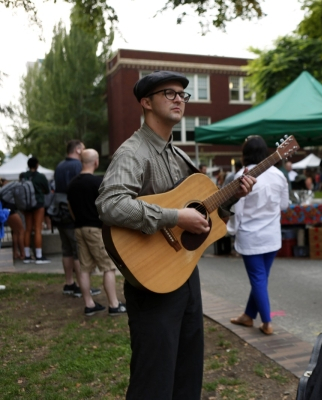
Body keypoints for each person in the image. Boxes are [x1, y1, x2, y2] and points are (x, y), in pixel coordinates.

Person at [96, 71, 255, 399]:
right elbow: (110, 205)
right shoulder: (134, 152)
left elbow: (202, 214)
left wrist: (232, 197)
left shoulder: (178, 153)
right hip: (150, 280)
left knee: (187, 373)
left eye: (183, 94)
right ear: (146, 102)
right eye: (169, 93)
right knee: (153, 379)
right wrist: (173, 216)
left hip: (183, 273)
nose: (179, 98)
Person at [228, 136, 289, 335]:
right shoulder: (279, 175)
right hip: (271, 235)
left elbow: (237, 208)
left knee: (258, 279)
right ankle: (248, 316)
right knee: (261, 279)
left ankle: (267, 322)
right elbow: (284, 205)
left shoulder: (243, 175)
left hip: (250, 235)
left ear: (245, 154)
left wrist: (230, 231)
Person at [67, 149, 127, 317]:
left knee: (84, 268)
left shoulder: (72, 184)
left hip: (78, 228)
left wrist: (78, 219)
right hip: (95, 229)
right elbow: (107, 207)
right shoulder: (98, 183)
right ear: (96, 162)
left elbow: (70, 206)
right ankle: (114, 305)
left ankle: (89, 304)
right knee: (108, 267)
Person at [54, 140, 99, 297]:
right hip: (74, 215)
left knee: (66, 249)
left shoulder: (59, 166)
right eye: (84, 148)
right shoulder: (76, 166)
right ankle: (81, 286)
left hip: (58, 214)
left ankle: (69, 283)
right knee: (77, 252)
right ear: (79, 150)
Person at [21, 157, 51, 264]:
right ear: (37, 164)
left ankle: (27, 256)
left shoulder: (24, 176)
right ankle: (38, 256)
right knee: (38, 229)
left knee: (27, 229)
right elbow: (47, 190)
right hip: (38, 204)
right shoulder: (40, 176)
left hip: (27, 205)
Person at [0, 179, 25, 260]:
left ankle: (15, 253)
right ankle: (22, 253)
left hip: (7, 211)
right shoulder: (11, 188)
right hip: (10, 211)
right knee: (21, 231)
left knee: (15, 232)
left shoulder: (4, 193)